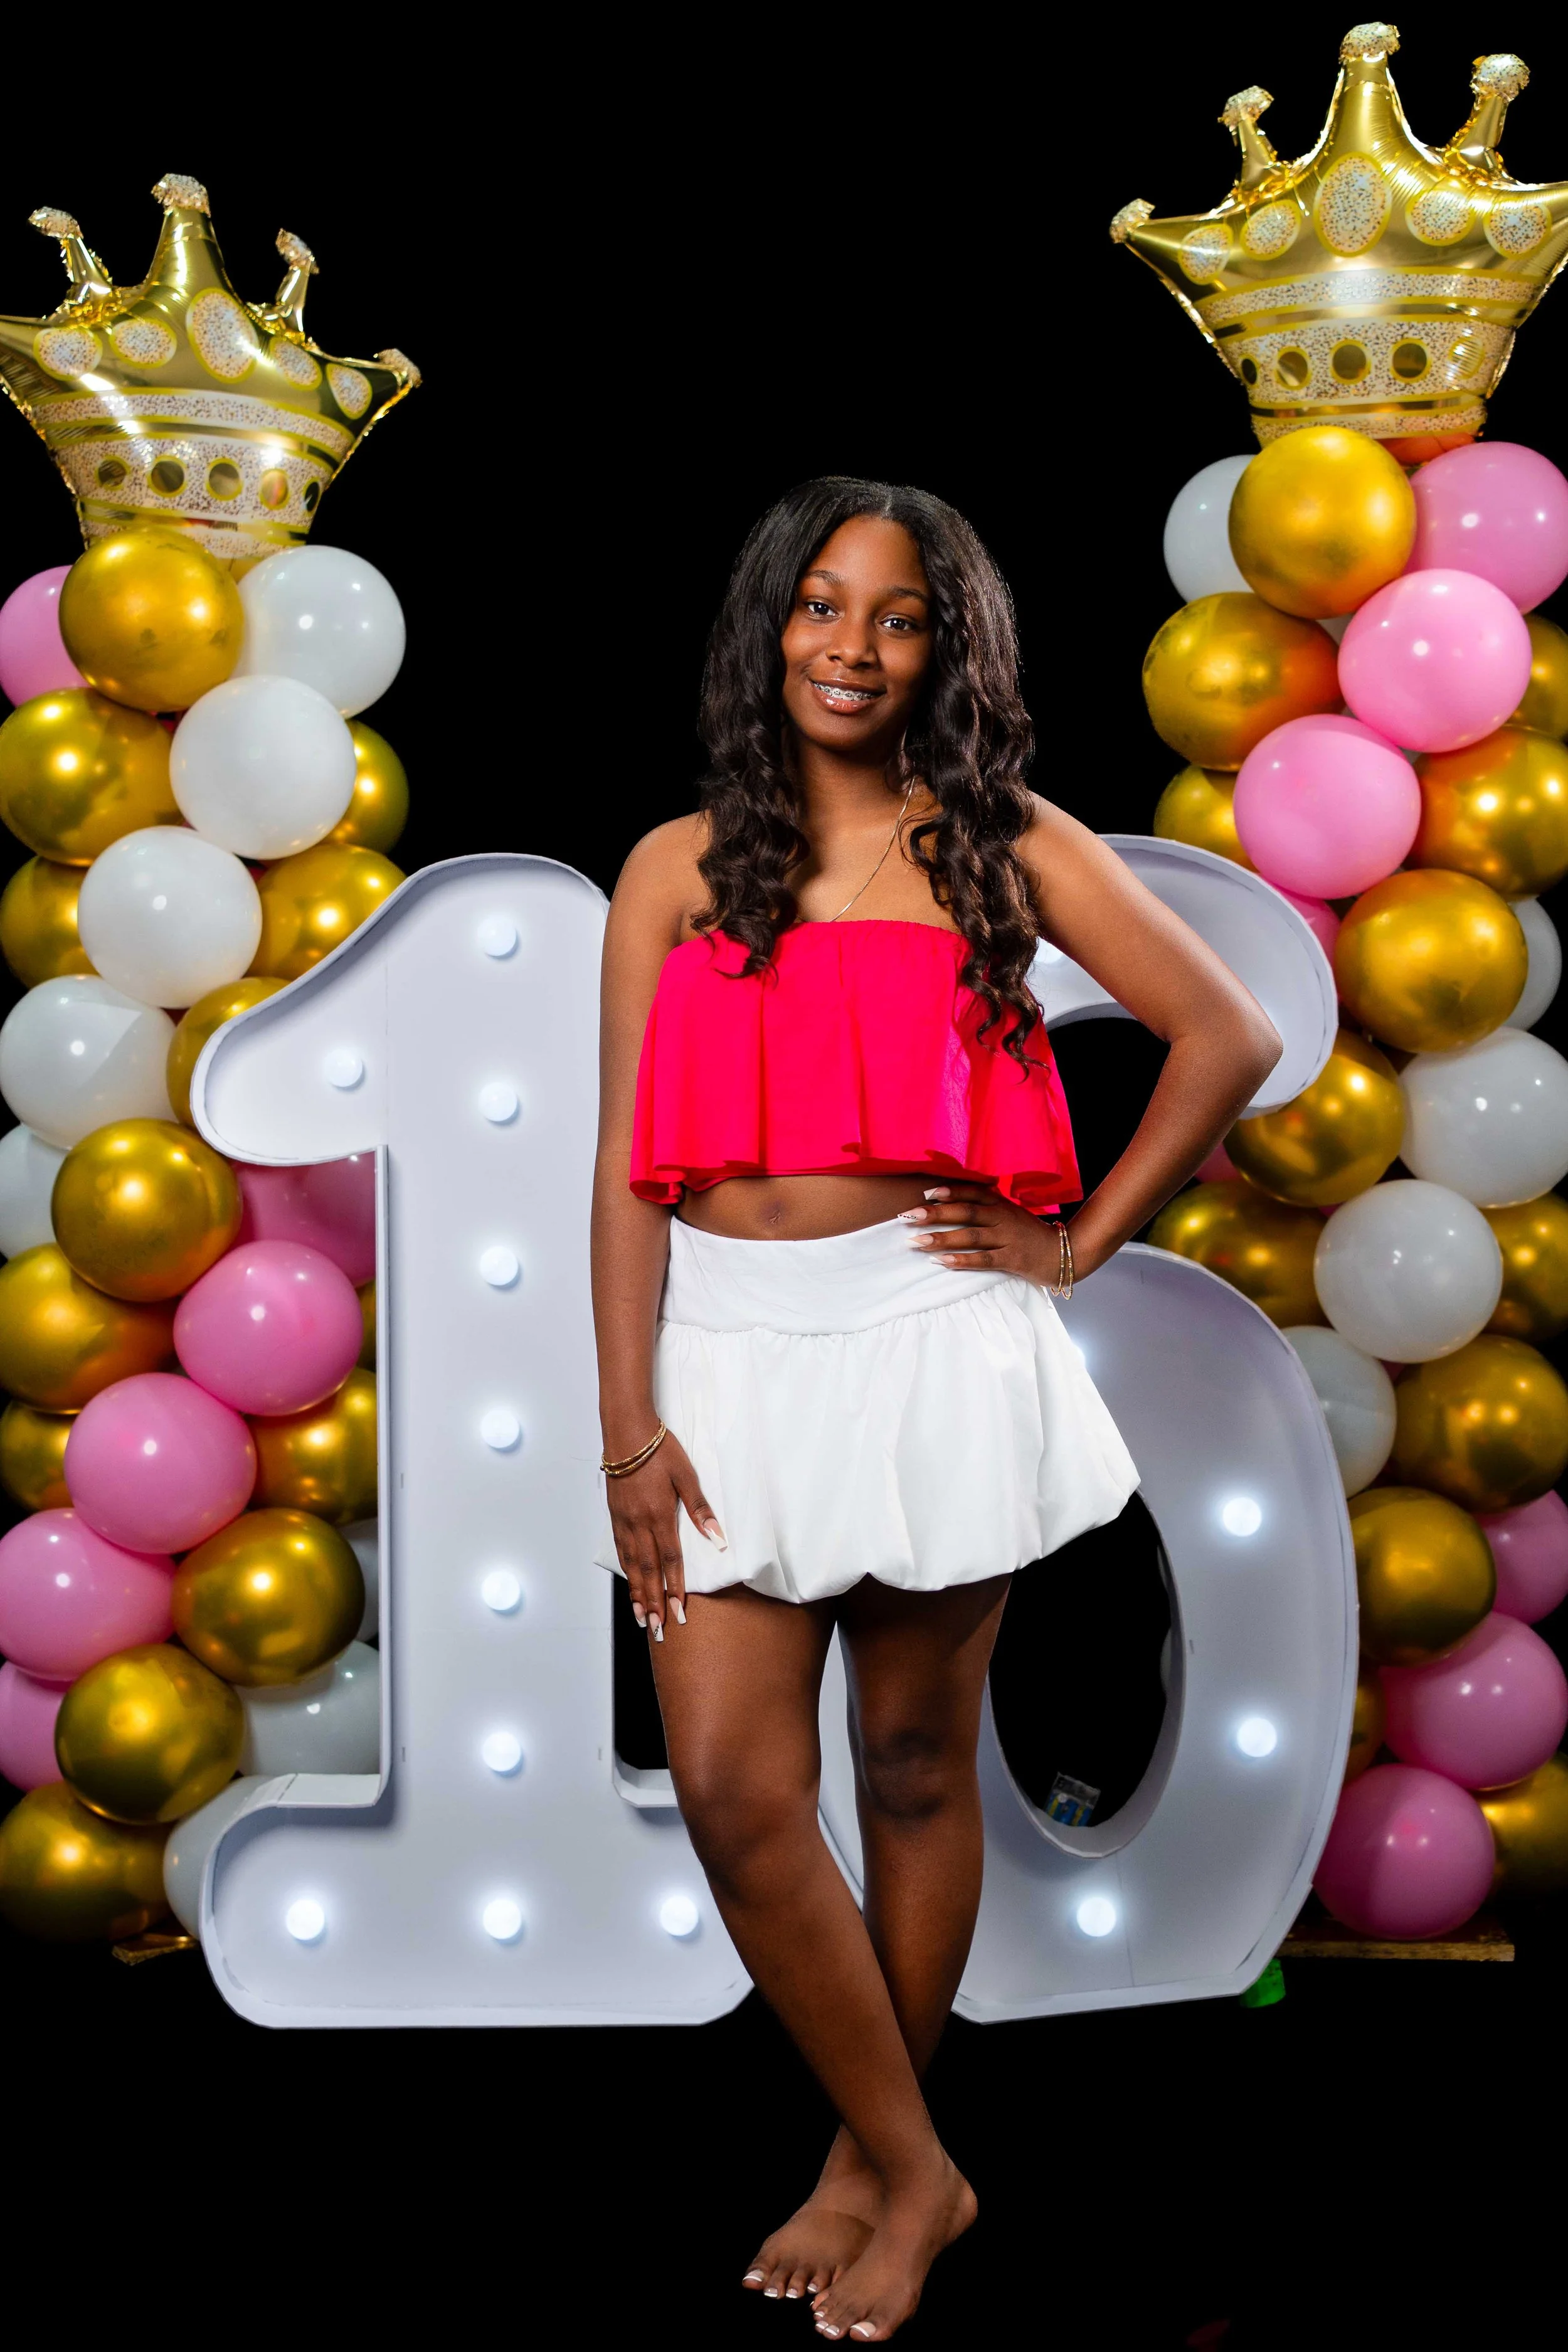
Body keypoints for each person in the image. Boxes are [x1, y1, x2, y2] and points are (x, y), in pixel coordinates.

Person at [591, 477, 1280, 2341]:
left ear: (940, 652)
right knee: (740, 1787)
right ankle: (921, 2165)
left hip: (924, 1332)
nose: (852, 645)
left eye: (895, 618)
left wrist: (1070, 1244)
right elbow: (617, 1174)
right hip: (724, 1354)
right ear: (770, 625)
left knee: (906, 1767)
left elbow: (1225, 1034)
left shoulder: (1003, 840)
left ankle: (870, 2158)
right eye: (821, 606)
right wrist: (628, 1434)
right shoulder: (672, 868)